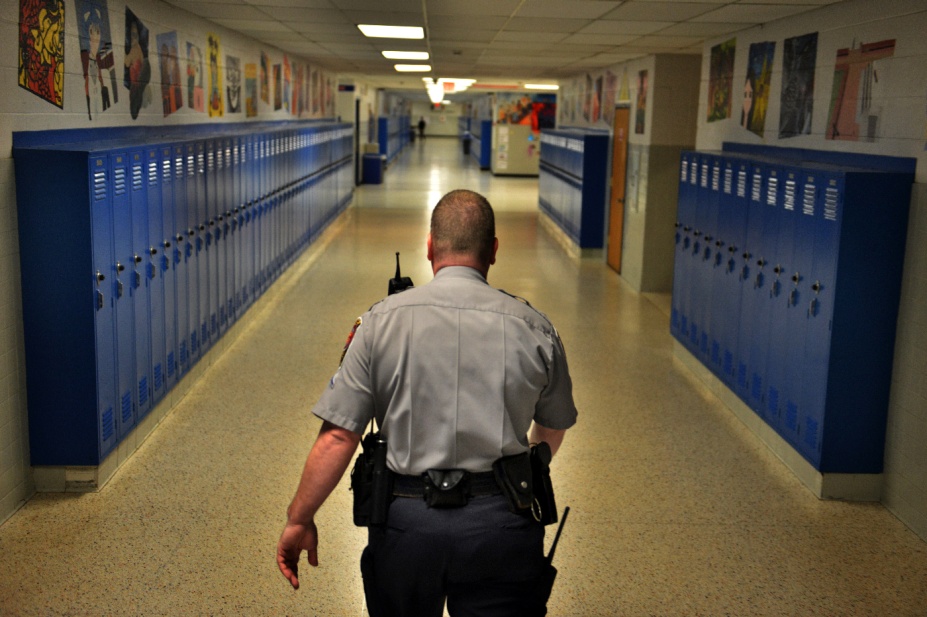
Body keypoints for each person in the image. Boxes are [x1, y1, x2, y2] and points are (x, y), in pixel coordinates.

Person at [276, 189, 578, 616]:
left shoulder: (379, 323)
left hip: (406, 525)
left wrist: (299, 518)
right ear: (493, 251)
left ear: (430, 246)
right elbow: (554, 424)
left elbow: (339, 436)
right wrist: (528, 458)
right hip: (502, 523)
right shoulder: (535, 328)